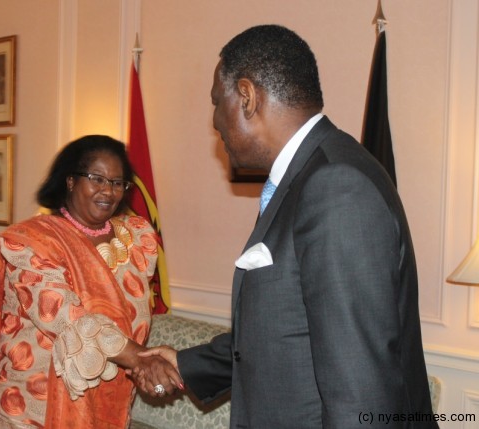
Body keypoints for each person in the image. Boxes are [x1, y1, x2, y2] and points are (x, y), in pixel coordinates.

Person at [135, 25, 438, 428]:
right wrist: (186, 364)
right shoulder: (304, 177)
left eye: (215, 102)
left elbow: (360, 389)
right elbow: (294, 327)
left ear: (246, 96)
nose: (214, 122)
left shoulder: (335, 186)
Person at [0, 135, 182, 429]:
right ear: (70, 181)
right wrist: (142, 359)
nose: (108, 191)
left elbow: (131, 320)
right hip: (32, 409)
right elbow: (68, 318)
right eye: (97, 178)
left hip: (109, 407)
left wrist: (144, 366)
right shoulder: (32, 242)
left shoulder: (137, 238)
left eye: (118, 183)